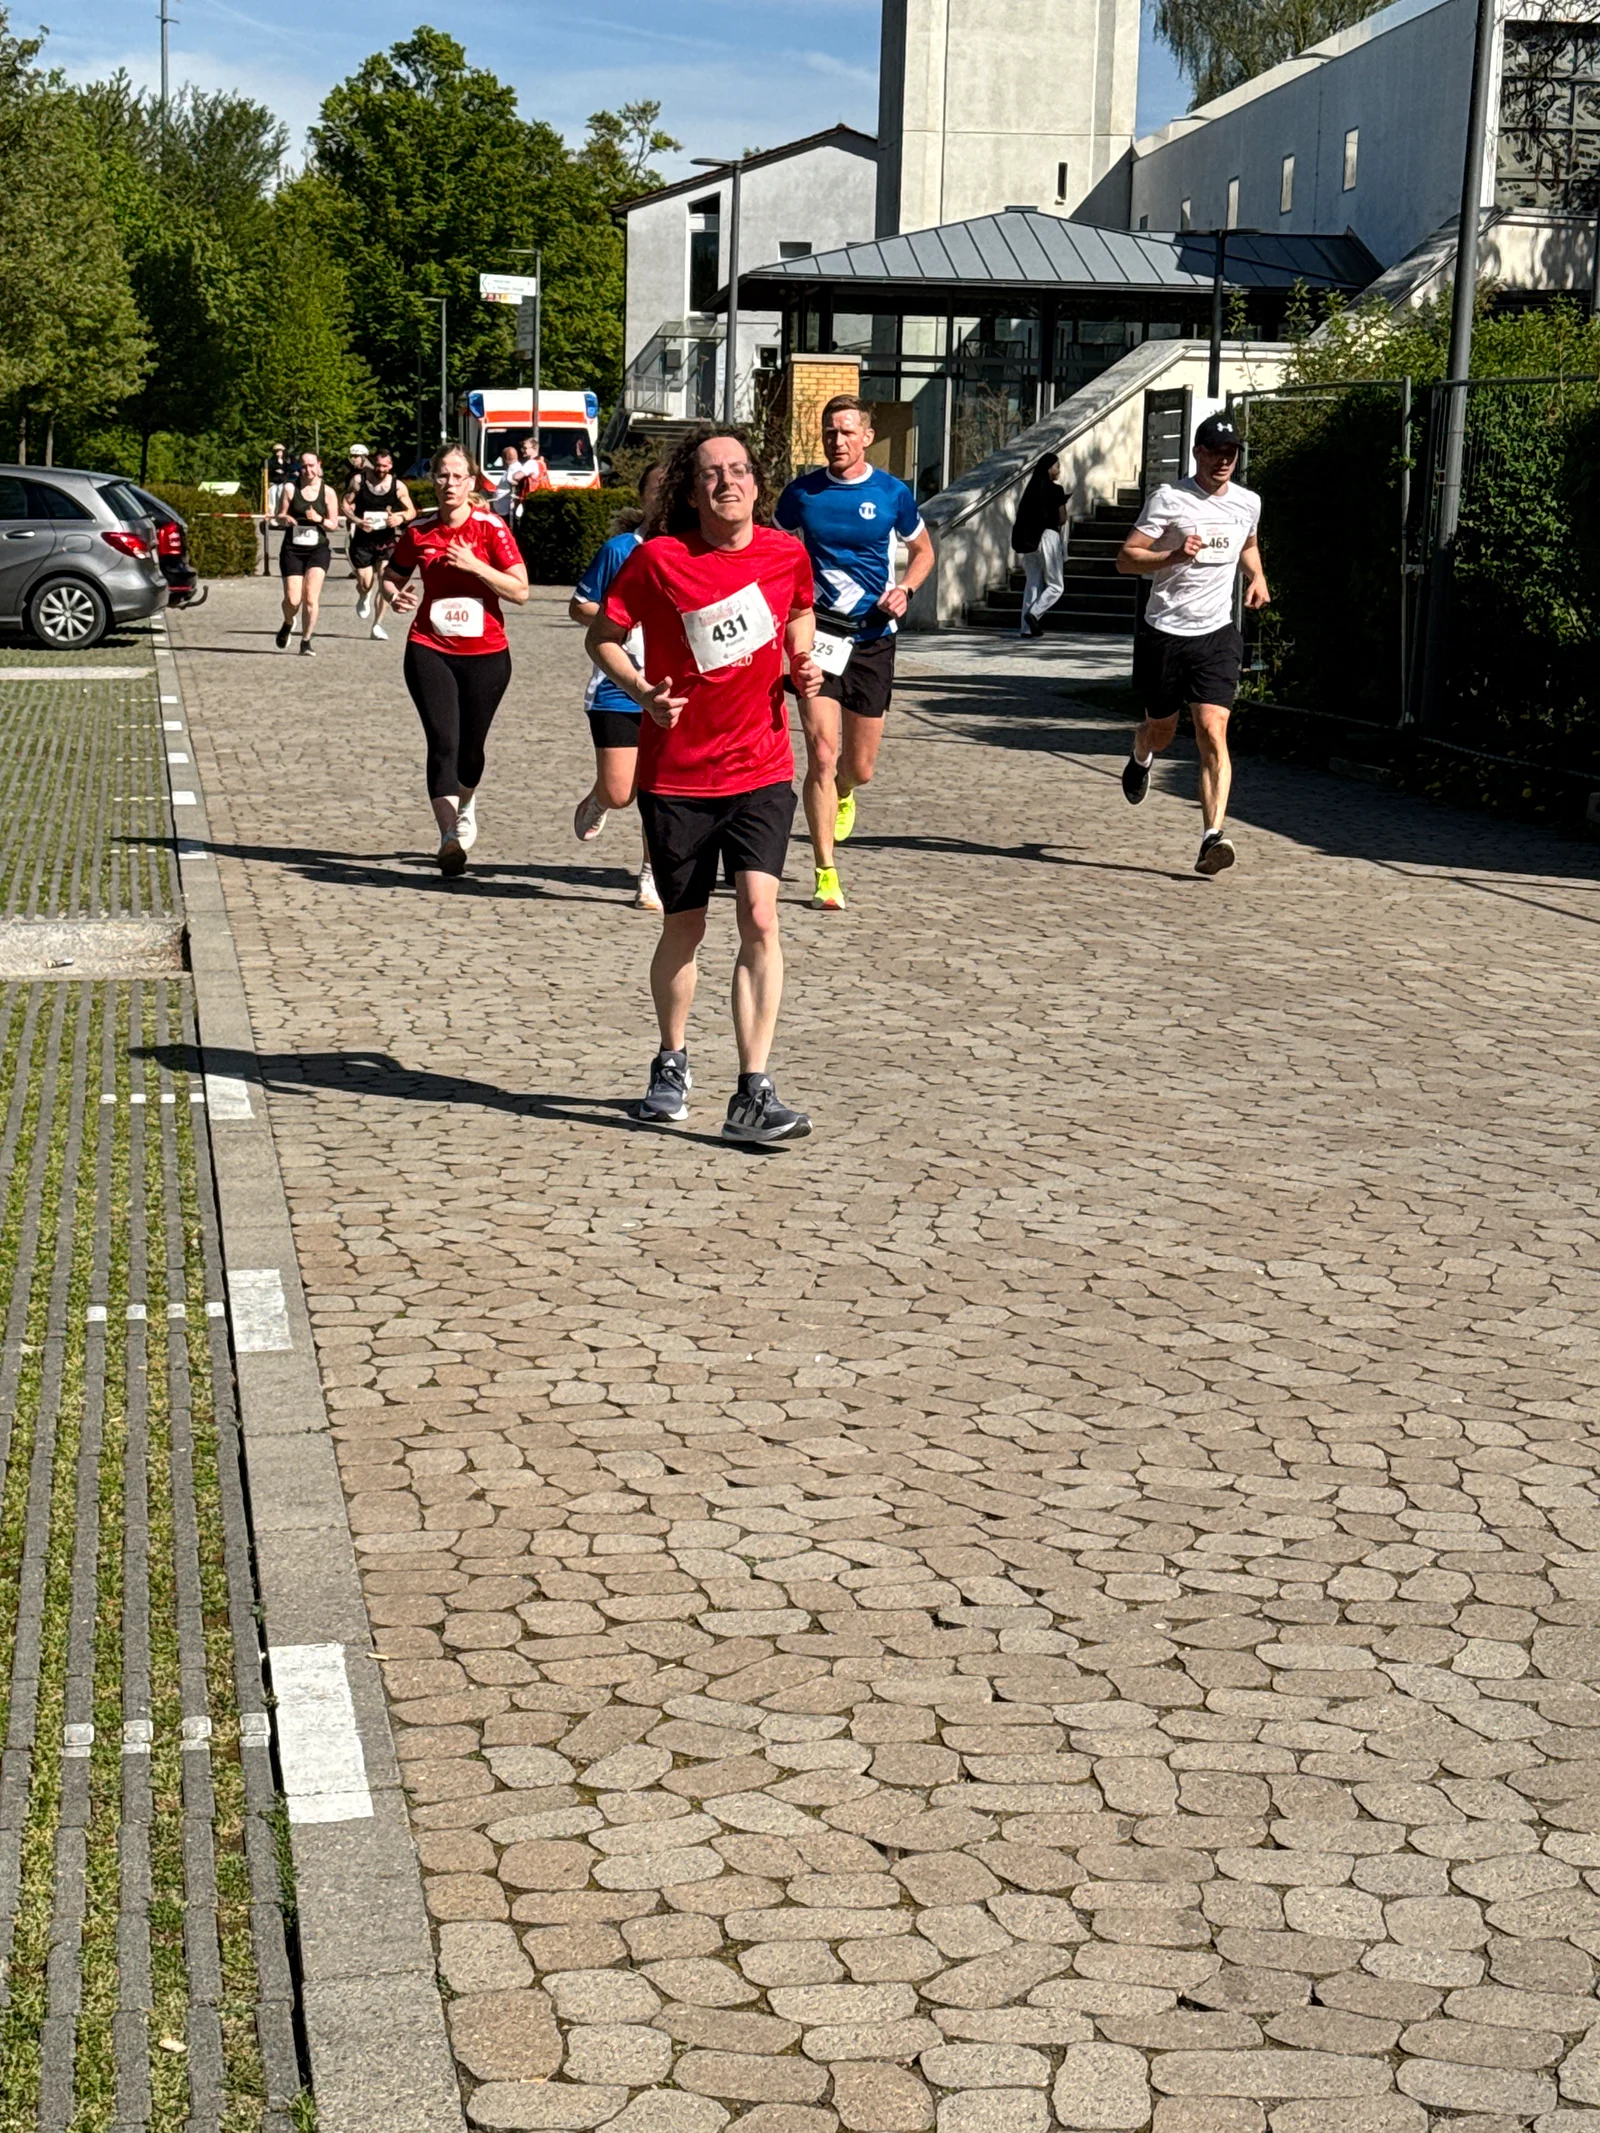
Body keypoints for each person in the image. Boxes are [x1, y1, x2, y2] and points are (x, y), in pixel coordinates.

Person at [585, 426, 822, 1144]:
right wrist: (641, 692)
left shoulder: (785, 553)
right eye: (713, 473)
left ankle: (753, 1090)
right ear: (692, 491)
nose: (728, 482)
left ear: (757, 483)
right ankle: (671, 1059)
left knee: (760, 916)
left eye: (740, 470)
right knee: (684, 926)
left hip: (761, 767)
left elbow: (800, 611)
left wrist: (802, 660)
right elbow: (601, 635)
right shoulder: (659, 559)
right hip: (678, 773)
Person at [773, 394, 932, 910]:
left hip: (872, 638)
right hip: (816, 634)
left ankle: (845, 789)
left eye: (846, 432)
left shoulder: (892, 493)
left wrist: (905, 589)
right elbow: (772, 550)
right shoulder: (801, 494)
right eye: (829, 432)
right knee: (821, 753)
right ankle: (825, 872)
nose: (836, 441)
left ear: (866, 436)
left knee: (859, 767)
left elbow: (924, 550)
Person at [1115, 413, 1270, 877]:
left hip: (1216, 634)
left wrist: (1257, 576)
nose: (1224, 460)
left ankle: (1212, 838)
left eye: (1231, 453)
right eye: (1216, 452)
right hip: (1166, 632)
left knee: (1212, 730)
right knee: (1162, 731)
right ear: (1198, 453)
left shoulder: (1247, 502)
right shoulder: (1169, 499)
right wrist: (1173, 555)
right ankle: (1141, 751)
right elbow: (1126, 559)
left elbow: (1248, 544)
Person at [381, 443, 531, 876]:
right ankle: (448, 838)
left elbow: (521, 591)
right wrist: (394, 596)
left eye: (458, 476)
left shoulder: (490, 528)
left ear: (471, 482)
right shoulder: (419, 531)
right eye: (442, 476)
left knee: (470, 750)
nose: (450, 484)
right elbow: (391, 577)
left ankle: (466, 805)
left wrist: (475, 566)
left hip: (487, 655)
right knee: (443, 742)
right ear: (434, 481)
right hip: (429, 647)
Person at [569, 463, 667, 912]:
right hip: (616, 685)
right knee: (621, 790)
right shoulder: (621, 549)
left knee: (658, 788)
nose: (663, 498)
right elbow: (580, 606)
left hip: (669, 688)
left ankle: (650, 875)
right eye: (656, 490)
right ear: (643, 496)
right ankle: (599, 799)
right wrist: (620, 622)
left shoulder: (693, 549)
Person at [346, 446, 416, 639]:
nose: (381, 469)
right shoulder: (359, 481)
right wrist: (357, 521)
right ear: (373, 463)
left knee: (385, 580)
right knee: (365, 582)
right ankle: (364, 594)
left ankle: (377, 624)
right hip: (363, 541)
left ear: (391, 466)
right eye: (378, 465)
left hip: (387, 541)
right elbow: (345, 504)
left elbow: (411, 511)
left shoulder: (398, 486)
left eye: (385, 466)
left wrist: (400, 518)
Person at [274, 450, 338, 656]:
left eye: (311, 465)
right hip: (293, 549)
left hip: (317, 549)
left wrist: (319, 519)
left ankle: (306, 640)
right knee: (293, 600)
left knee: (310, 598)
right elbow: (279, 515)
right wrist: (285, 518)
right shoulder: (290, 488)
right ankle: (288, 622)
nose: (308, 470)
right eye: (304, 466)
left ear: (319, 465)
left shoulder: (328, 492)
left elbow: (333, 524)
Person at [1012, 455, 1067, 638]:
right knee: (1056, 585)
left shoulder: (1030, 490)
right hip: (1048, 537)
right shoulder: (1056, 490)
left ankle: (1026, 628)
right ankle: (1034, 614)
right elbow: (1062, 518)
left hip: (1030, 541)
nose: (1058, 470)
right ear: (1049, 468)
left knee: (1033, 583)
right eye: (1056, 466)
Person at [489, 445, 521, 522]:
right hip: (502, 507)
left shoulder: (514, 468)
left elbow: (513, 483)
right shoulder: (512, 467)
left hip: (506, 508)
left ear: (505, 458)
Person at [266, 444, 296, 517]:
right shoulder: (271, 462)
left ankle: (279, 511)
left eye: (280, 451)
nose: (279, 453)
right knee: (272, 493)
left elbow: (288, 470)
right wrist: (276, 471)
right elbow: (269, 471)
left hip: (282, 482)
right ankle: (271, 512)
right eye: (277, 451)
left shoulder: (285, 463)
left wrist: (290, 473)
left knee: (280, 494)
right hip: (273, 482)